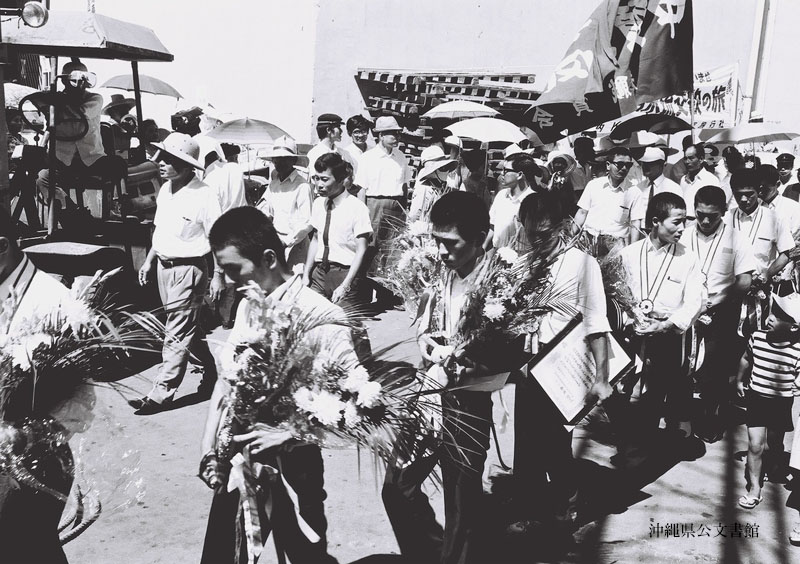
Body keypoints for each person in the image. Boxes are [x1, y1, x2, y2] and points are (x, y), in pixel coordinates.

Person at [382, 191, 522, 564]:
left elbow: (512, 356)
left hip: (468, 404)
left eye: (451, 243)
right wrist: (425, 340)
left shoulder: (501, 286)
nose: (442, 252)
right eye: (437, 241)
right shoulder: (440, 273)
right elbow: (428, 325)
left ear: (481, 237)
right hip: (429, 397)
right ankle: (429, 551)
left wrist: (465, 368)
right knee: (397, 486)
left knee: (461, 503)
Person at [200, 206, 345, 564]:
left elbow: (353, 402)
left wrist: (291, 432)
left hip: (297, 462)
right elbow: (228, 379)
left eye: (234, 269)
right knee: (225, 554)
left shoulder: (321, 313)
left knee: (304, 553)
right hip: (240, 453)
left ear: (268, 258)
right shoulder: (248, 306)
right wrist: (208, 447)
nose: (229, 281)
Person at [507, 191, 611, 537]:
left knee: (554, 441)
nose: (537, 240)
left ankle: (567, 498)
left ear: (563, 226)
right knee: (525, 441)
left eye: (544, 233)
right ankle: (527, 509)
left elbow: (596, 322)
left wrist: (602, 377)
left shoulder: (582, 264)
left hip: (564, 367)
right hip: (527, 365)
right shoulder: (522, 264)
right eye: (530, 233)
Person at [130, 133, 223, 414]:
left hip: (189, 270)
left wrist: (219, 275)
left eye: (168, 160)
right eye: (161, 157)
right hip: (163, 267)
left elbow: (218, 238)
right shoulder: (165, 190)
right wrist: (149, 261)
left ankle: (161, 393)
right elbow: (161, 231)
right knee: (186, 329)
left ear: (185, 166)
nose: (160, 163)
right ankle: (212, 371)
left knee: (176, 332)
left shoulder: (204, 194)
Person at [0, 209, 73, 564]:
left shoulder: (53, 300)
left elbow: (78, 401)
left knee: (29, 548)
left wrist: (20, 435)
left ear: (2, 247)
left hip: (35, 459)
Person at [619, 192, 704, 459]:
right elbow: (615, 296)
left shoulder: (688, 258)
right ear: (656, 221)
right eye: (676, 222)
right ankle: (626, 443)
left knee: (655, 394)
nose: (682, 228)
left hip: (667, 337)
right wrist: (630, 320)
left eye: (684, 222)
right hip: (632, 335)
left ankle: (645, 449)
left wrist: (666, 325)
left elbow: (695, 301)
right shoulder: (629, 254)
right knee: (623, 392)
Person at [680, 186, 756, 442]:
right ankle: (683, 418)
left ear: (723, 211)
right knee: (683, 364)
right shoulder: (683, 235)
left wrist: (715, 301)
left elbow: (744, 281)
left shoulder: (737, 239)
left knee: (715, 368)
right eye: (700, 214)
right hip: (686, 309)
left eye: (711, 216)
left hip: (720, 312)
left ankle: (710, 417)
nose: (705, 221)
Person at [735, 293, 800, 509]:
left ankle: (773, 465)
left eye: (780, 316)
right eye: (773, 312)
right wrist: (739, 380)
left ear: (794, 327)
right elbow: (746, 358)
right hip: (757, 399)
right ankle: (755, 488)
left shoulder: (797, 349)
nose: (771, 317)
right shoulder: (758, 337)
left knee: (774, 442)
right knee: (755, 445)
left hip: (781, 403)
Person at [35, 60, 126, 210]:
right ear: (64, 81)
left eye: (83, 79)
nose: (79, 84)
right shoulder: (54, 102)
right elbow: (42, 110)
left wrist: (58, 106)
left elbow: (82, 115)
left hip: (92, 159)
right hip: (63, 161)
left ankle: (117, 205)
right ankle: (70, 211)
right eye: (74, 80)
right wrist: (47, 103)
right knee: (42, 177)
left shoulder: (94, 99)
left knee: (118, 164)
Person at [303, 152, 372, 309]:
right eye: (316, 178)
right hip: (319, 274)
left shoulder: (357, 208)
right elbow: (315, 240)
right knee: (310, 317)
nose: (319, 184)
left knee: (340, 321)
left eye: (324, 179)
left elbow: (362, 249)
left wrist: (345, 285)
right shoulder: (318, 204)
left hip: (345, 274)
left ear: (340, 179)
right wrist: (306, 274)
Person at [355, 116, 411, 291]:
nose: (396, 137)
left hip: (396, 206)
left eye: (397, 133)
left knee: (392, 250)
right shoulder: (368, 158)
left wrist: (404, 211)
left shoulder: (400, 157)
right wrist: (362, 216)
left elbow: (405, 186)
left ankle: (386, 292)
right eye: (392, 133)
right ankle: (362, 290)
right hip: (374, 206)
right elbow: (361, 189)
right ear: (381, 135)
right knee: (371, 248)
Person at [256, 136, 314, 270]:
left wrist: (286, 242)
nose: (279, 162)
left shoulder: (302, 186)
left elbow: (307, 222)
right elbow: (265, 210)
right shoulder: (273, 185)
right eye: (276, 158)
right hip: (275, 242)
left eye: (284, 158)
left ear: (293, 160)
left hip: (296, 244)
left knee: (294, 279)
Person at [727, 169, 794, 280]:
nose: (743, 199)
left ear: (758, 191)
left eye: (749, 194)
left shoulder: (775, 219)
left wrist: (766, 275)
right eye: (738, 194)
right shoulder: (725, 219)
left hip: (760, 285)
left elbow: (785, 254)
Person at [574, 146, 645, 245]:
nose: (624, 168)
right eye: (620, 164)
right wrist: (571, 236)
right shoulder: (593, 185)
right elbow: (582, 212)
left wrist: (633, 249)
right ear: (608, 165)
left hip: (616, 245)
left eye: (628, 165)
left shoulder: (634, 192)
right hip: (589, 241)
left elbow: (635, 224)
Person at [488, 153, 537, 250]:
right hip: (496, 252)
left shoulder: (534, 201)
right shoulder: (501, 195)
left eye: (506, 170)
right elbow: (492, 226)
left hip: (521, 255)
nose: (502, 173)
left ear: (519, 175)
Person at [407, 145, 457, 224]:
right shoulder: (424, 190)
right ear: (433, 171)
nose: (446, 171)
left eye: (447, 167)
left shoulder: (441, 187)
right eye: (442, 168)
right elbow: (414, 217)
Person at [680, 143, 722, 220]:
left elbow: (716, 206)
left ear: (701, 159)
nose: (687, 162)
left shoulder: (711, 180)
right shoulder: (683, 180)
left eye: (691, 158)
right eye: (685, 158)